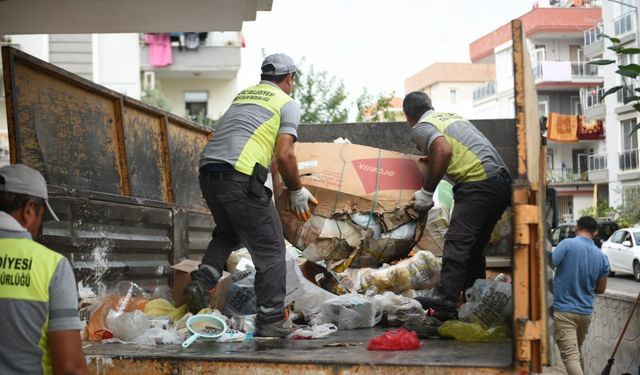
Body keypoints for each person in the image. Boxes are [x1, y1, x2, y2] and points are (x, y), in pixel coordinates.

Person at [184, 53, 317, 337]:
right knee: (271, 248)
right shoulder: (286, 103)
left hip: (209, 172)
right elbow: (285, 154)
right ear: (289, 79)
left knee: (228, 231)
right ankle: (271, 320)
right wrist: (296, 191)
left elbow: (266, 154)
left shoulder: (244, 96)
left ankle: (203, 280)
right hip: (240, 176)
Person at [402, 91, 512, 321]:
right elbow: (452, 149)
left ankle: (444, 306)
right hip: (501, 182)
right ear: (430, 105)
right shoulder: (450, 117)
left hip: (477, 183)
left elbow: (443, 150)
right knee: (472, 251)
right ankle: (476, 303)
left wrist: (426, 193)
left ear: (408, 116)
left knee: (456, 245)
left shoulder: (421, 127)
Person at [0, 164, 88, 375]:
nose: (38, 227)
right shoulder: (52, 266)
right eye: (41, 216)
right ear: (29, 210)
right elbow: (70, 368)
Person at [552, 216, 608, 375]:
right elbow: (601, 289)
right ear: (595, 233)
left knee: (570, 357)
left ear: (576, 227)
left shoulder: (567, 244)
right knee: (576, 353)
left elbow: (547, 264)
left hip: (562, 311)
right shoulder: (602, 257)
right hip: (585, 313)